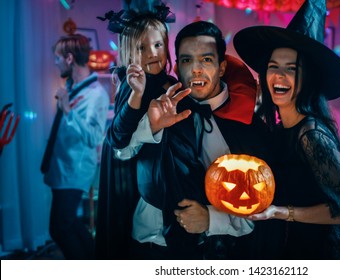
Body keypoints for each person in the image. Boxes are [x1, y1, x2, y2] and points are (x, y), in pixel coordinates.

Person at [115, 20, 269, 259]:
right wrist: (151, 126)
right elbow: (122, 153)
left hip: (214, 252)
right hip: (149, 243)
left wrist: (212, 219)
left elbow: (262, 201)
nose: (196, 69)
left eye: (206, 59)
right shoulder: (159, 102)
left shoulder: (249, 127)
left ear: (221, 67)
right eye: (186, 60)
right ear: (177, 67)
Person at [233, 0, 340, 259]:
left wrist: (282, 212)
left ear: (307, 79)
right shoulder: (281, 128)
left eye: (291, 69)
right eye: (273, 67)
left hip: (328, 254)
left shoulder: (311, 134)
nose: (280, 76)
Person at [95, 4, 176, 259]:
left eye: (158, 45)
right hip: (130, 179)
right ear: (129, 53)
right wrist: (137, 94)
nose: (152, 53)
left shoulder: (172, 84)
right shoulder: (130, 85)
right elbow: (118, 138)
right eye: (142, 48)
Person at [41, 34, 109, 259]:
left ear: (69, 58)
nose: (56, 62)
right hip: (61, 168)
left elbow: (93, 137)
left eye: (58, 58)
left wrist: (68, 109)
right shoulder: (73, 87)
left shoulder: (96, 94)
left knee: (60, 227)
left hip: (75, 169)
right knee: (67, 225)